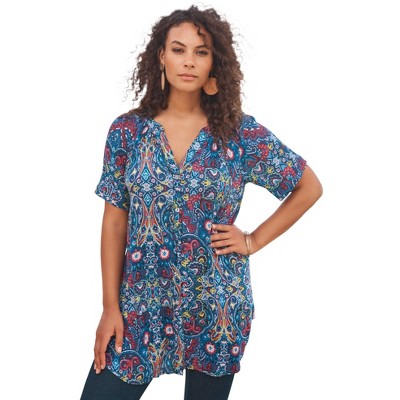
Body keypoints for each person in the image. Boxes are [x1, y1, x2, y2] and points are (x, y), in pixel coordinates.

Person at [80, 5, 323, 400]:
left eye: (201, 51)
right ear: (161, 56)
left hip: (217, 305)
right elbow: (114, 222)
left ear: (215, 62)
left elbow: (308, 187)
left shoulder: (239, 133)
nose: (189, 61)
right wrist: (110, 307)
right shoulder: (128, 132)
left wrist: (253, 240)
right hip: (141, 305)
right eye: (178, 50)